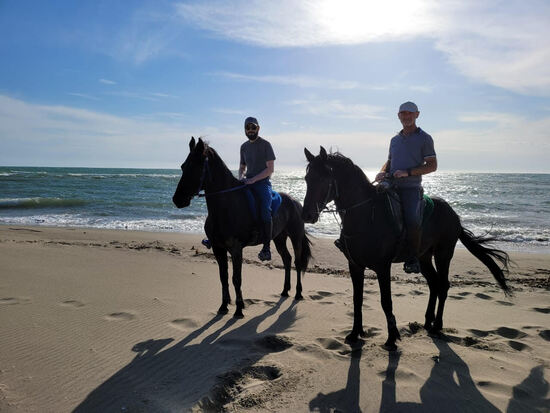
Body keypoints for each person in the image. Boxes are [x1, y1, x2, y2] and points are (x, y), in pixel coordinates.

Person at [375, 101, 437, 273]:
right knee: (368, 204)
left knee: (412, 219)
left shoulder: (425, 138)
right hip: (390, 184)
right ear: (398, 116)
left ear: (417, 115)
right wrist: (382, 172)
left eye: (410, 113)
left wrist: (407, 172)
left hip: (411, 188)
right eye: (403, 113)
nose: (406, 116)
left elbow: (432, 166)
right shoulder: (394, 140)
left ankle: (413, 258)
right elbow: (389, 162)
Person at [239, 116, 276, 261]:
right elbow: (242, 167)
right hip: (247, 181)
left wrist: (254, 179)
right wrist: (241, 177)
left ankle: (266, 248)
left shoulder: (266, 145)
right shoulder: (243, 147)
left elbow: (270, 169)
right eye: (247, 128)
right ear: (244, 130)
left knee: (265, 209)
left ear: (258, 128)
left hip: (262, 183)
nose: (250, 130)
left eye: (253, 127)